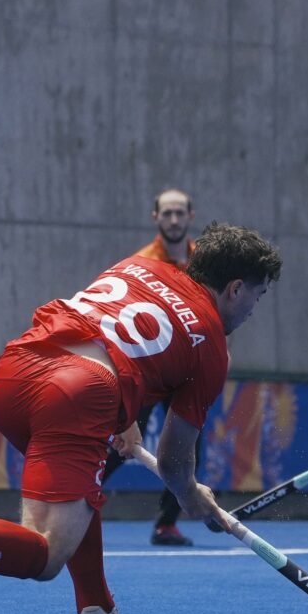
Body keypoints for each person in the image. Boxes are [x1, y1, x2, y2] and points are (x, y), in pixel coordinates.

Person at [0, 222, 281, 614]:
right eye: (257, 295)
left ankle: (97, 610)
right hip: (80, 391)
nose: (253, 309)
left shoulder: (140, 266)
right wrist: (192, 496)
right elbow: (174, 463)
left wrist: (122, 420)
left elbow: (106, 331)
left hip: (16, 371)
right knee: (44, 553)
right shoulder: (211, 342)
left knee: (83, 483)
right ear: (234, 289)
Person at [97, 188, 201, 547]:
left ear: (190, 216)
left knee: (187, 444)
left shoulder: (203, 263)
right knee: (124, 438)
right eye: (167, 213)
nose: (174, 219)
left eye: (179, 213)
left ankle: (166, 524)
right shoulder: (142, 262)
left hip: (187, 370)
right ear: (155, 218)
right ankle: (83, 488)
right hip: (149, 367)